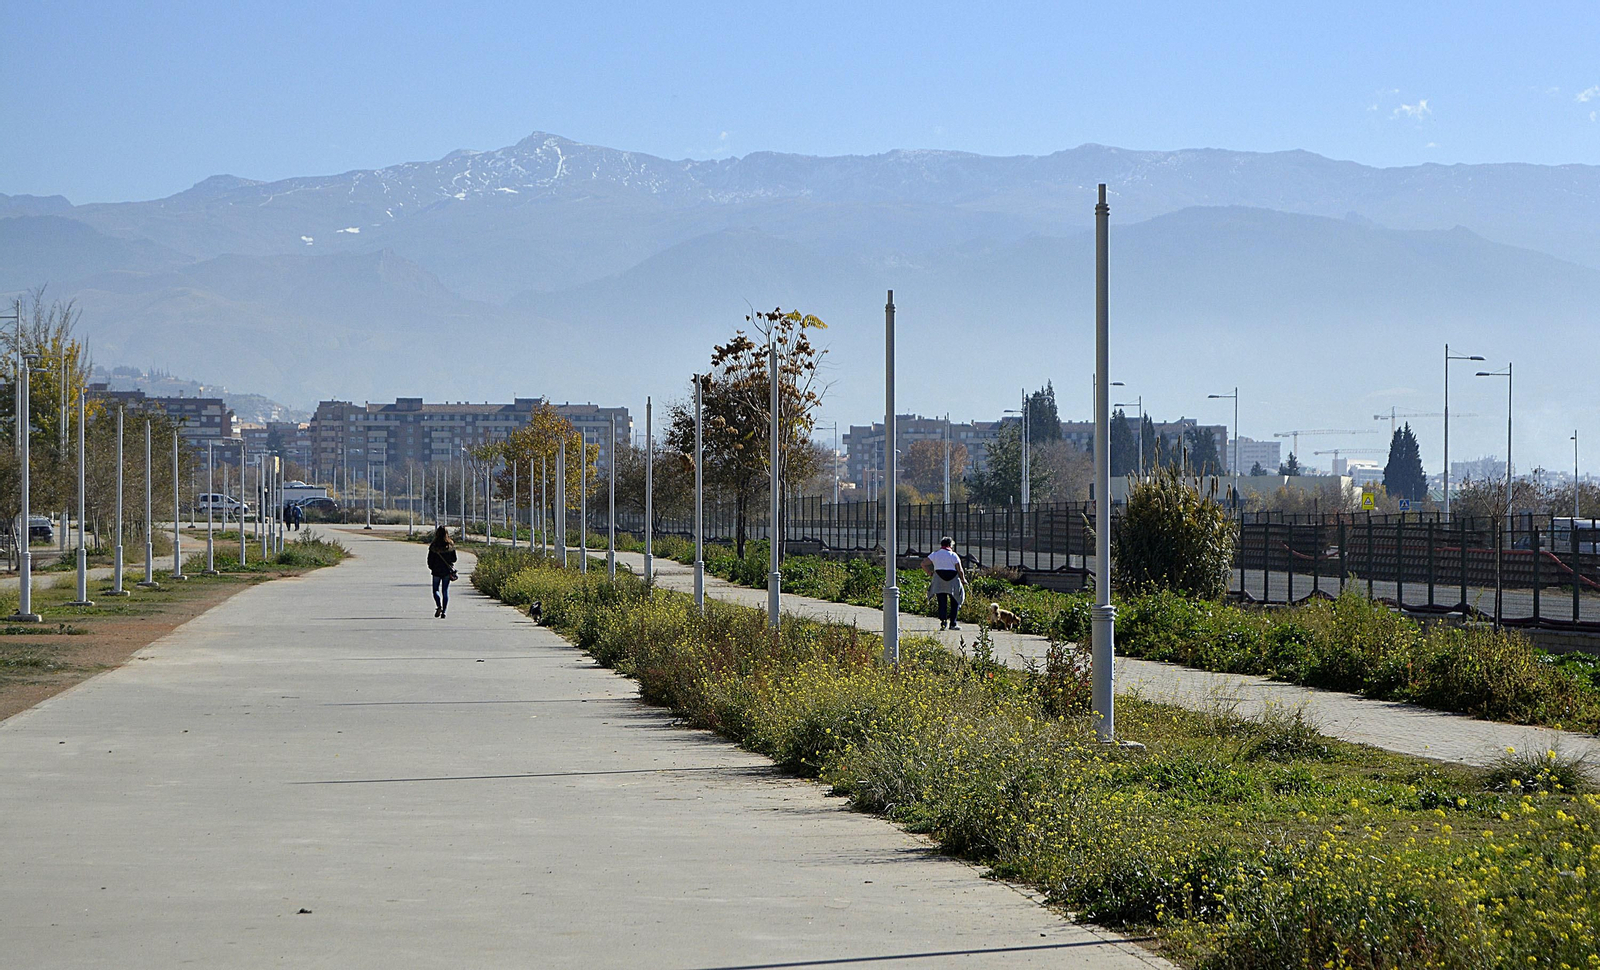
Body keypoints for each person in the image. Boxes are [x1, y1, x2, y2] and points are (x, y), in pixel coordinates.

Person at [921, 536, 967, 631]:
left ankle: (943, 623)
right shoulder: (953, 555)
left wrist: (930, 573)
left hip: (939, 580)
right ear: (950, 545)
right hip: (953, 580)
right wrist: (963, 579)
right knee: (955, 601)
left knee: (942, 602)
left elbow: (923, 564)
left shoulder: (935, 554)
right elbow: (960, 570)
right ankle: (953, 623)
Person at [427, 525, 458, 618]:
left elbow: (429, 559)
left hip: (436, 570)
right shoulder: (450, 545)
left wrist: (431, 567)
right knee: (445, 591)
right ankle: (444, 611)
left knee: (435, 590)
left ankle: (438, 606)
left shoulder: (434, 545)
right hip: (446, 571)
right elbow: (454, 559)